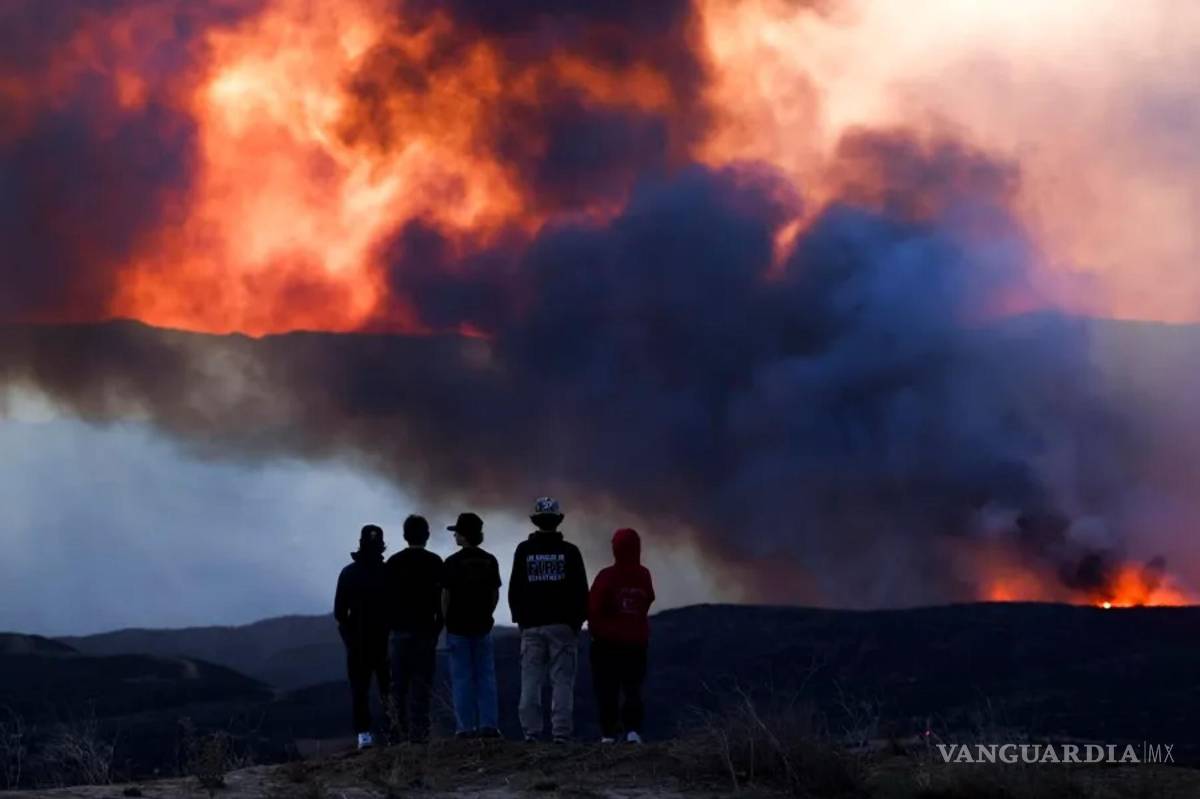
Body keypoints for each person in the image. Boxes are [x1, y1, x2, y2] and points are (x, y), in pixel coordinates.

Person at [507, 497, 588, 743]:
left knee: (530, 682)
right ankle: (561, 734)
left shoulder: (524, 550)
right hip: (562, 627)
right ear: (558, 521)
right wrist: (575, 624)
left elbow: (515, 590)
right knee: (562, 682)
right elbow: (582, 591)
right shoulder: (570, 552)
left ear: (536, 521)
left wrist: (522, 621)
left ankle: (531, 733)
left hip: (532, 627)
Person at [588, 528, 655, 744]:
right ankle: (633, 731)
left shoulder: (606, 576)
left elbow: (593, 608)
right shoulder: (644, 575)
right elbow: (647, 600)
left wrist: (597, 631)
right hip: (635, 643)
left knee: (607, 689)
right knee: (632, 688)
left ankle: (608, 733)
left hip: (607, 644)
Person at [441, 512, 502, 738]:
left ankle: (465, 728)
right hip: (482, 626)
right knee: (486, 677)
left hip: (458, 628)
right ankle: (489, 725)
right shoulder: (490, 561)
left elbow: (445, 597)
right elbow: (495, 594)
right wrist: (487, 614)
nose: (455, 535)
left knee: (462, 679)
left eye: (457, 531)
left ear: (464, 536)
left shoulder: (452, 563)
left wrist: (447, 621)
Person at [385, 514, 443, 743]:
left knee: (398, 686)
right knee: (422, 685)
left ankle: (397, 733)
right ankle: (420, 734)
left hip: (399, 633)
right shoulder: (435, 562)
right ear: (427, 535)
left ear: (404, 536)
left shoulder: (393, 563)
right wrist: (437, 628)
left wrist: (390, 627)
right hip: (425, 633)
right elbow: (443, 600)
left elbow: (385, 600)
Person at [334, 524, 391, 750]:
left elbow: (339, 612)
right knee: (389, 690)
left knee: (360, 690)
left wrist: (349, 637)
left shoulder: (349, 573)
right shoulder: (389, 572)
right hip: (385, 641)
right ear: (381, 546)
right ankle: (393, 731)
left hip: (358, 642)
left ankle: (364, 736)